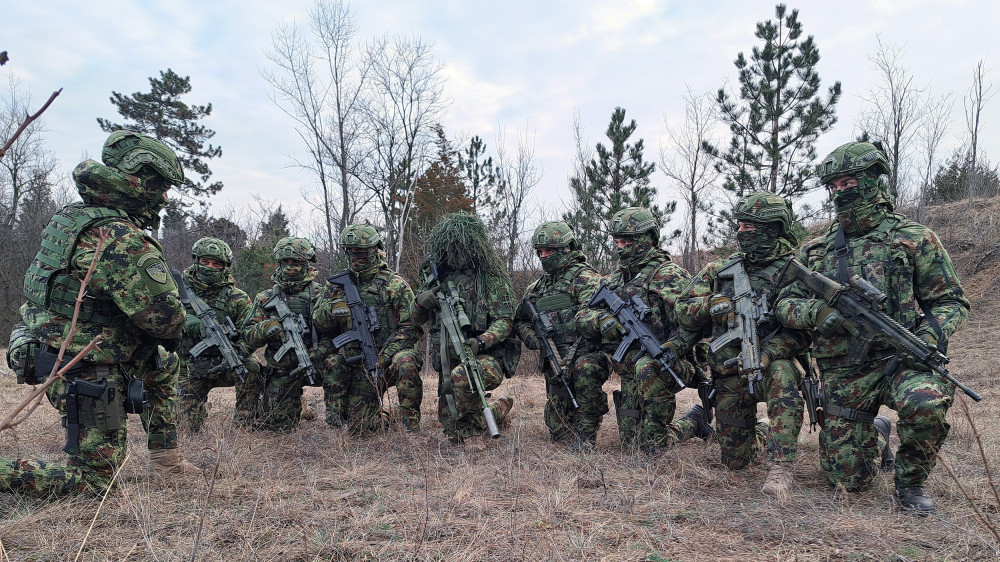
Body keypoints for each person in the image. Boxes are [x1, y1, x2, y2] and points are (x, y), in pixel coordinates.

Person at [775, 141, 970, 513]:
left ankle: (911, 484)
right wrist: (816, 313)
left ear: (873, 180)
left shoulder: (914, 238)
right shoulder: (817, 250)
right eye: (834, 186)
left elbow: (951, 301)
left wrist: (928, 336)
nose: (841, 192)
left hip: (904, 360)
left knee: (926, 403)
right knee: (846, 482)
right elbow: (784, 303)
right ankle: (878, 436)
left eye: (849, 182)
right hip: (845, 371)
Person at [1, 130, 196, 497]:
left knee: (162, 366)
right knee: (95, 485)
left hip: (58, 345)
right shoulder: (120, 236)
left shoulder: (74, 217)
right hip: (87, 366)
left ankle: (167, 463)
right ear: (144, 183)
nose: (166, 197)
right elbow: (165, 319)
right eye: (163, 187)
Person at [674, 192, 811, 499]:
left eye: (750, 226)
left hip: (775, 365)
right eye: (739, 225)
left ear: (774, 227)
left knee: (782, 372)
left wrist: (770, 352)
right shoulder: (720, 271)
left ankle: (780, 468)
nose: (742, 232)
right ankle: (761, 431)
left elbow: (806, 332)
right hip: (729, 370)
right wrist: (711, 304)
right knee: (735, 461)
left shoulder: (795, 272)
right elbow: (682, 310)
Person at [577, 207, 711, 453]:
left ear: (647, 238)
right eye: (617, 241)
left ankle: (690, 424)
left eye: (627, 240)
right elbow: (582, 315)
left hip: (668, 363)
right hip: (630, 369)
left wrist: (673, 347)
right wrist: (600, 320)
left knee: (651, 446)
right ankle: (694, 422)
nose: (620, 246)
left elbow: (696, 321)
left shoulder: (669, 275)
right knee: (631, 445)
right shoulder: (615, 280)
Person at [408, 212, 517, 445]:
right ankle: (499, 408)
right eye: (450, 246)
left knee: (463, 379)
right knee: (452, 428)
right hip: (448, 358)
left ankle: (475, 437)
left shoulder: (491, 278)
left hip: (487, 355)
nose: (456, 252)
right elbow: (415, 320)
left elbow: (505, 321)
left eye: (461, 245)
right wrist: (419, 302)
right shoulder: (435, 277)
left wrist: (481, 341)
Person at [313, 224, 423, 433]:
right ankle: (343, 423)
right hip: (357, 366)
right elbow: (318, 323)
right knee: (362, 428)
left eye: (361, 251)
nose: (356, 256)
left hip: (387, 363)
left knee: (406, 360)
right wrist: (333, 310)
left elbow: (411, 329)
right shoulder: (336, 286)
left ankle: (411, 428)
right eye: (351, 251)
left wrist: (384, 357)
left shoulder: (395, 285)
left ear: (375, 250)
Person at [513, 221, 610, 451]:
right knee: (559, 433)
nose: (544, 256)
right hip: (555, 363)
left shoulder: (586, 280)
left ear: (566, 249)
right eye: (540, 252)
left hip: (588, 356)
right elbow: (519, 320)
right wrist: (533, 338)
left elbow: (600, 316)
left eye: (550, 251)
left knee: (585, 371)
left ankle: (587, 434)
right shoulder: (536, 289)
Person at [175, 237, 264, 432]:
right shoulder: (176, 291)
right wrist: (182, 320)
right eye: (205, 262)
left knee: (251, 368)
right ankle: (196, 411)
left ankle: (244, 425)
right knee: (183, 430)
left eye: (216, 264)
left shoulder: (237, 298)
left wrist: (237, 356)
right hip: (187, 366)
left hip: (225, 363)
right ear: (196, 261)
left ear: (225, 267)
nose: (210, 267)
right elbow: (156, 323)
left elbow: (248, 334)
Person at [243, 237, 322, 432]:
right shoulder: (266, 297)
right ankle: (297, 406)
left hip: (317, 361)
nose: (290, 267)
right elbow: (247, 335)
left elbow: (336, 330)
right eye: (285, 262)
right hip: (281, 368)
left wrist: (319, 351)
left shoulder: (321, 294)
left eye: (295, 263)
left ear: (305, 264)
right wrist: (265, 327)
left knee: (340, 371)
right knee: (277, 428)